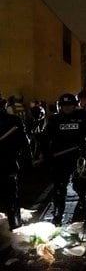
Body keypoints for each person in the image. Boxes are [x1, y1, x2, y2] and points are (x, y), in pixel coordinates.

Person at [42, 93, 86, 227]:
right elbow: (45, 139)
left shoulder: (83, 118)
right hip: (60, 159)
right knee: (59, 189)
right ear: (60, 107)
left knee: (84, 189)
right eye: (64, 106)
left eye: (70, 105)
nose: (67, 108)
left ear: (75, 105)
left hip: (78, 159)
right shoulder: (54, 120)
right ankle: (57, 215)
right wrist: (46, 154)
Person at [0, 97, 30, 230]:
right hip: (9, 162)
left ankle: (15, 225)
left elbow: (23, 142)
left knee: (11, 196)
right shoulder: (13, 120)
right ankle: (14, 225)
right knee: (11, 196)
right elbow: (24, 143)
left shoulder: (13, 121)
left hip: (7, 162)